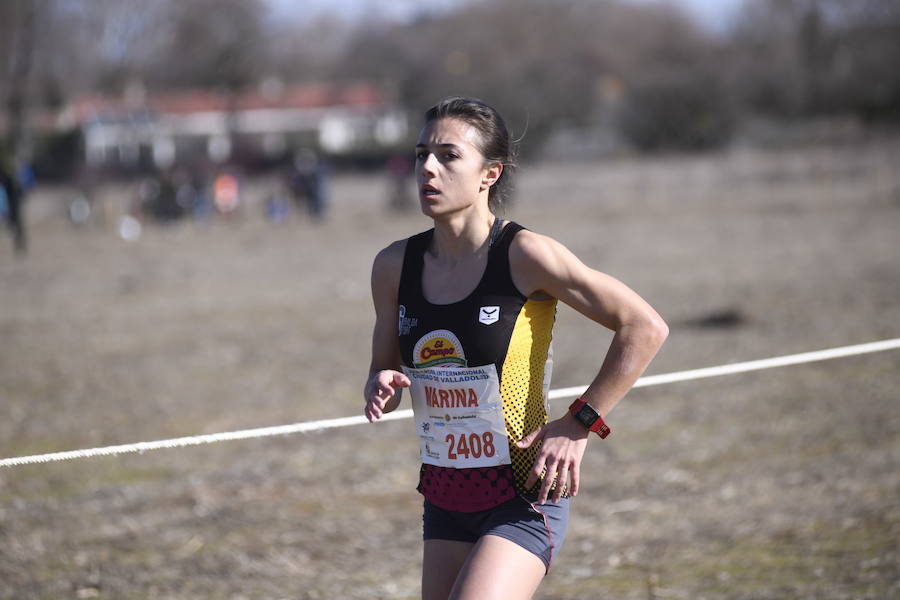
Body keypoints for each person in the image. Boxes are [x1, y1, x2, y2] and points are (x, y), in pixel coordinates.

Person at [363, 97, 668, 600]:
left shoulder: (526, 255)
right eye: (421, 155)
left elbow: (644, 326)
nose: (428, 169)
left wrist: (580, 423)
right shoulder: (393, 265)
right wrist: (382, 382)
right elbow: (382, 368)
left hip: (525, 493)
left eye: (448, 155)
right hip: (446, 495)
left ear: (490, 173)